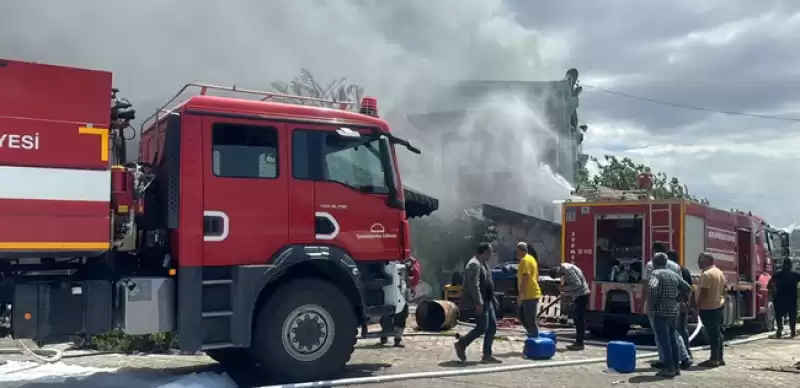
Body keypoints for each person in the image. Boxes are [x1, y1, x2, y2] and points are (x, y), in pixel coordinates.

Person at [643, 244, 691, 370]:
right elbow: (687, 288)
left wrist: (651, 305)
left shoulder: (655, 274)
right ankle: (676, 367)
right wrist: (677, 299)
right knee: (673, 338)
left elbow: (652, 288)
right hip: (673, 310)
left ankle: (668, 368)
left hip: (660, 311)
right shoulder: (673, 273)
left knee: (664, 340)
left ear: (654, 262)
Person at [454, 243, 500, 363]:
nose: (491, 255)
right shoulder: (474, 264)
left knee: (492, 327)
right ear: (485, 251)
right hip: (480, 301)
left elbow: (488, 282)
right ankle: (461, 344)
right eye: (490, 252)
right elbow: (474, 286)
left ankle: (487, 355)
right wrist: (478, 303)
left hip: (487, 300)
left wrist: (493, 298)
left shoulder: (483, 263)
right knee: (482, 327)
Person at [694, 252, 727, 367]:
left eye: (700, 260)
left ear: (706, 261)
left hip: (708, 308)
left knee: (712, 334)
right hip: (718, 305)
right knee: (717, 333)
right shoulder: (719, 272)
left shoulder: (707, 275)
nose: (698, 262)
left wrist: (697, 308)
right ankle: (719, 357)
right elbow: (724, 290)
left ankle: (714, 359)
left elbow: (704, 293)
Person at [380, 256, 420, 347]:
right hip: (387, 288)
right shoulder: (381, 258)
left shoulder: (405, 259)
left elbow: (414, 272)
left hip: (399, 289)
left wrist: (413, 285)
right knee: (387, 311)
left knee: (401, 312)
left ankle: (396, 338)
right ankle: (385, 334)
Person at [550, 262, 590, 350]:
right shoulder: (564, 270)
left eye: (558, 276)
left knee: (579, 320)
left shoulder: (567, 270)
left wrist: (564, 290)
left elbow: (577, 284)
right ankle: (579, 342)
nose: (559, 277)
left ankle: (579, 343)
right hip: (578, 295)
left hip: (582, 294)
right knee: (577, 319)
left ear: (558, 271)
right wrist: (565, 292)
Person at [670, 250, 694, 365]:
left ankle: (685, 354)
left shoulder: (678, 271)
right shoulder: (684, 270)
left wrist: (680, 300)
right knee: (681, 329)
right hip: (682, 303)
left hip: (678, 304)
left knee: (679, 329)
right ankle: (686, 353)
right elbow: (690, 288)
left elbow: (687, 287)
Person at [768, 258, 800, 338]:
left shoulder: (777, 274)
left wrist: (773, 293)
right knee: (792, 315)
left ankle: (779, 330)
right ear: (791, 264)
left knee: (779, 315)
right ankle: (792, 331)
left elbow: (770, 284)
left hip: (780, 298)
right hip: (792, 299)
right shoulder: (795, 274)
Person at [516, 242, 543, 337]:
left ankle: (535, 338)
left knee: (530, 320)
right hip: (530, 293)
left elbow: (526, 277)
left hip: (529, 294)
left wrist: (520, 294)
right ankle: (532, 334)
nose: (516, 253)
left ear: (520, 250)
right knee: (521, 316)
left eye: (517, 251)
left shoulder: (525, 260)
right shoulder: (532, 259)